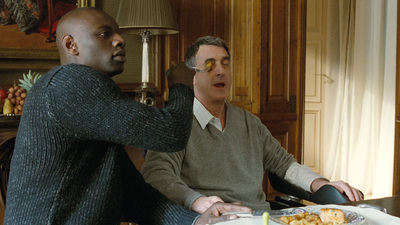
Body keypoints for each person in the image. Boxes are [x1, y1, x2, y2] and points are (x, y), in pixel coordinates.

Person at [4, 9, 251, 225]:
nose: (120, 40)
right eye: (104, 34)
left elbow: (133, 193)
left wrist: (196, 220)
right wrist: (181, 85)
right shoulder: (68, 85)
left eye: (118, 33)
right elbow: (170, 134)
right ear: (71, 45)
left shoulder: (84, 97)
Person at [141, 36, 364, 214]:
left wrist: (320, 183)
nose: (220, 71)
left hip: (262, 217)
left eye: (225, 64)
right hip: (215, 219)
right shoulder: (176, 122)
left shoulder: (248, 122)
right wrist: (196, 201)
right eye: (209, 66)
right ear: (193, 77)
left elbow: (285, 165)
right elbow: (157, 175)